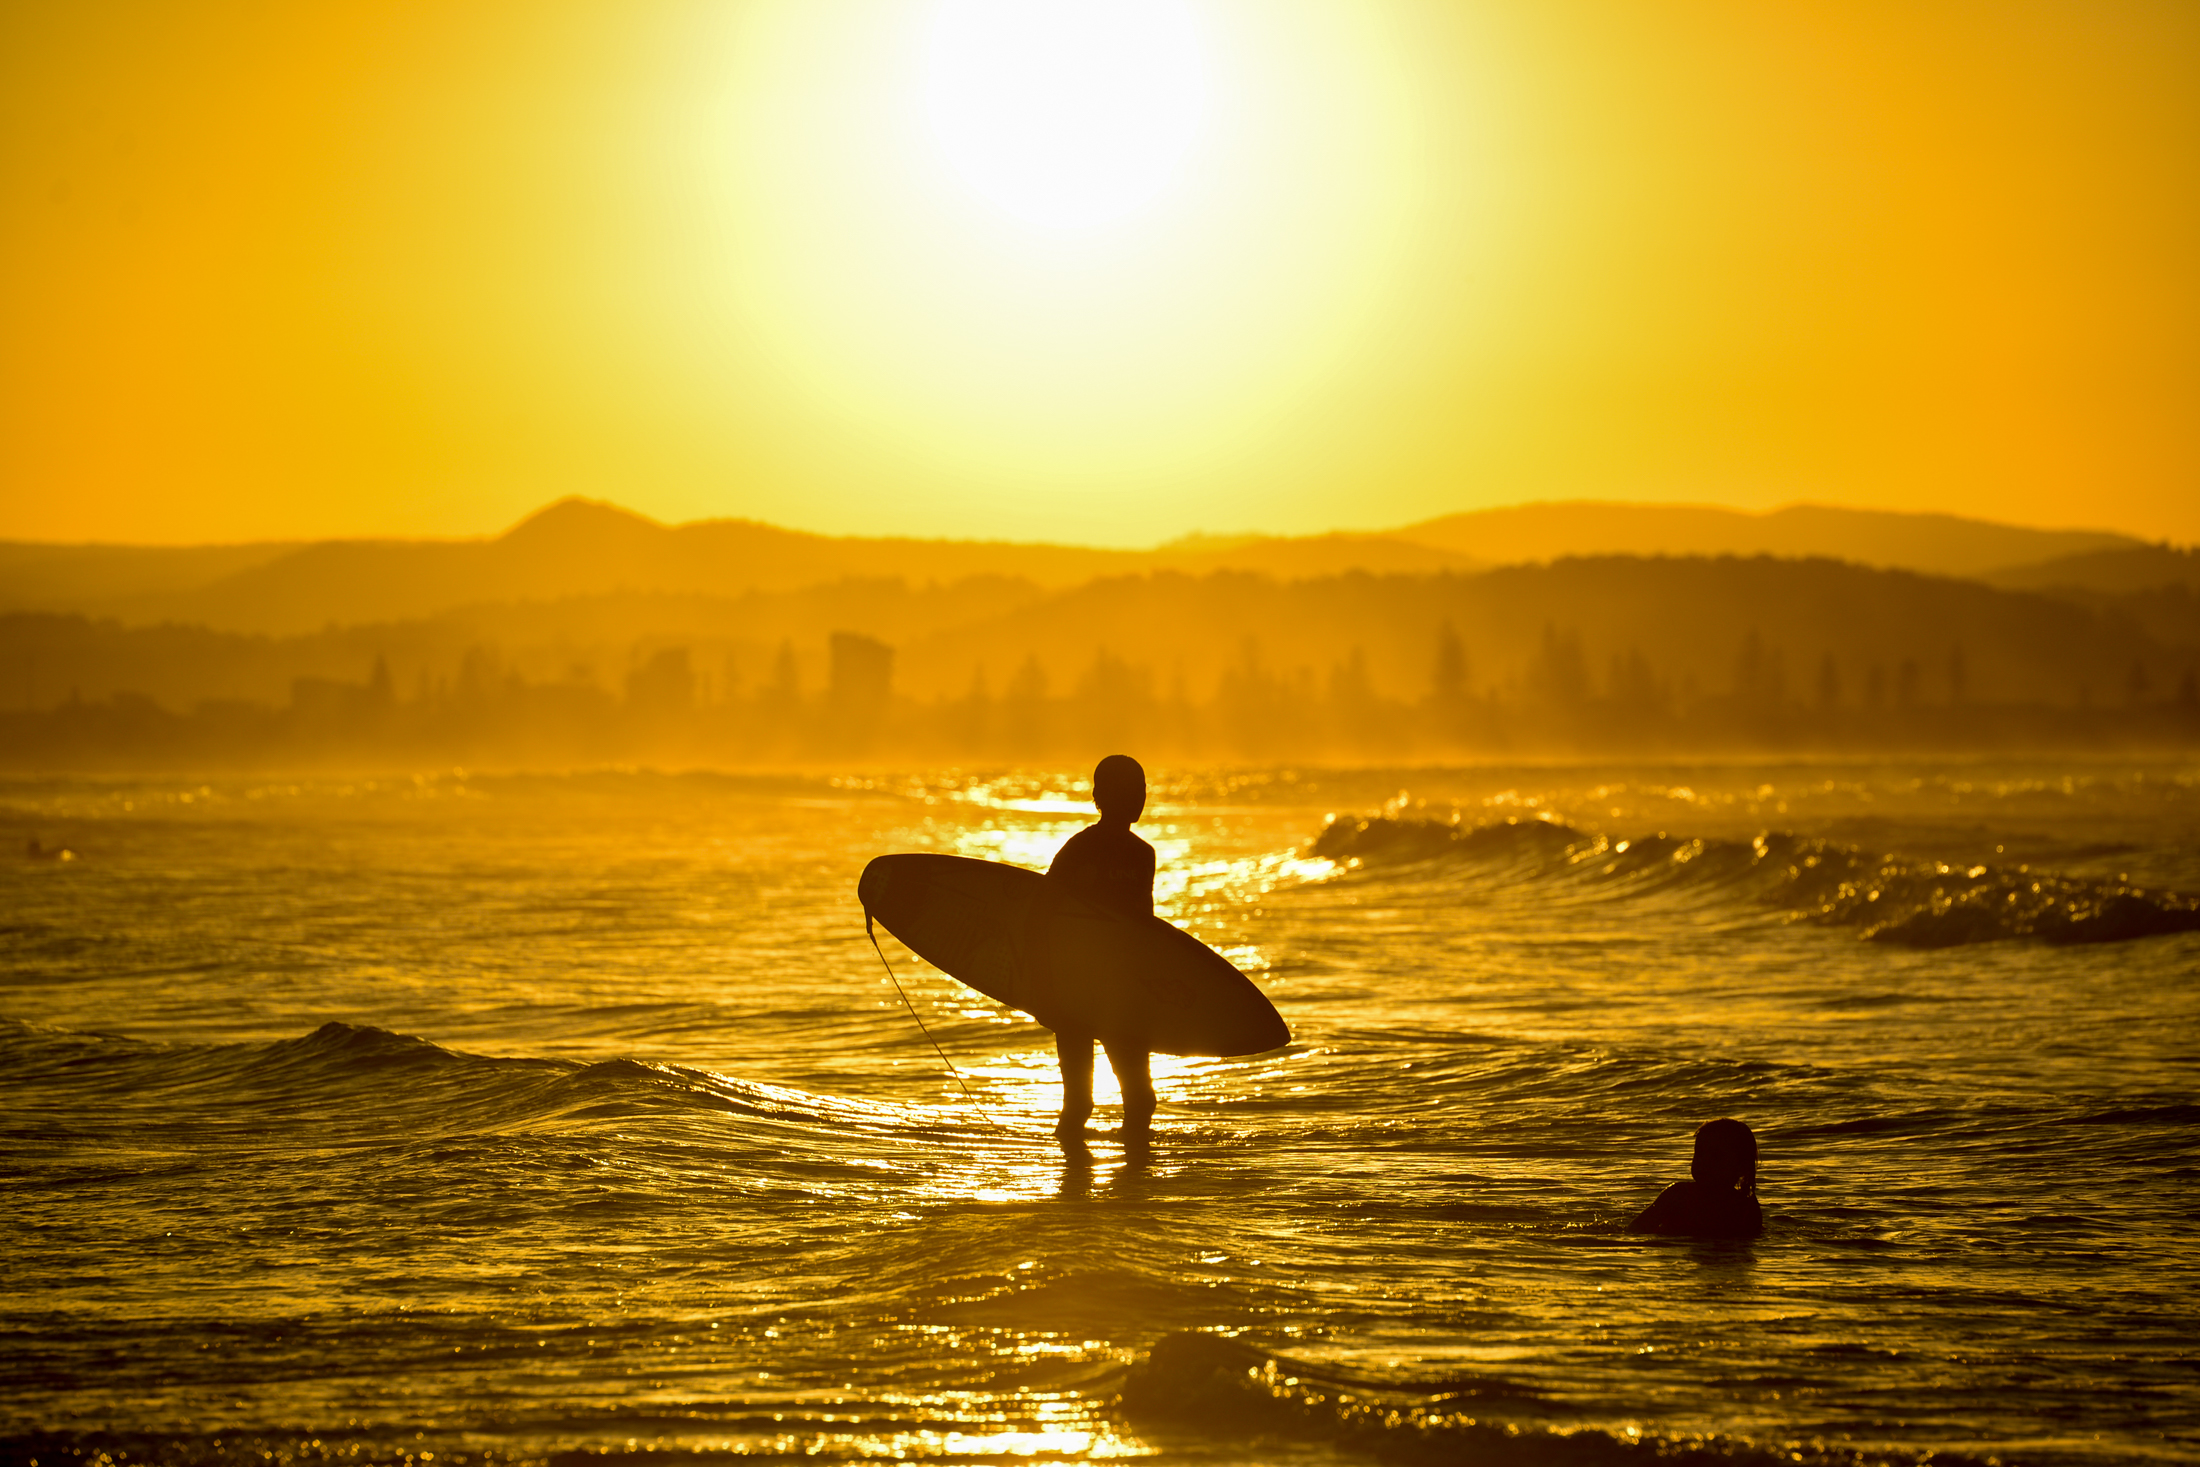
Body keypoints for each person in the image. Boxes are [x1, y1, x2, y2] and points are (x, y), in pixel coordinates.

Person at [1046, 754, 1159, 1147]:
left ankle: (1130, 1195)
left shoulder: (1143, 854)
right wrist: (1045, 985)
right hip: (1076, 987)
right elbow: (1045, 911)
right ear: (1100, 796)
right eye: (1130, 790)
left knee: (1141, 1101)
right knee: (1079, 1103)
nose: (1139, 798)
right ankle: (1074, 1194)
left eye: (1142, 790)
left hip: (1123, 990)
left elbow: (1143, 927)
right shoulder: (1080, 848)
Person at [1629, 1117, 1762, 1238]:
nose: (1705, 1162)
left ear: (1742, 1166)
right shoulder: (1678, 1194)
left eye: (1716, 1156)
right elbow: (1636, 1228)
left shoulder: (1746, 1206)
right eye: (1700, 1153)